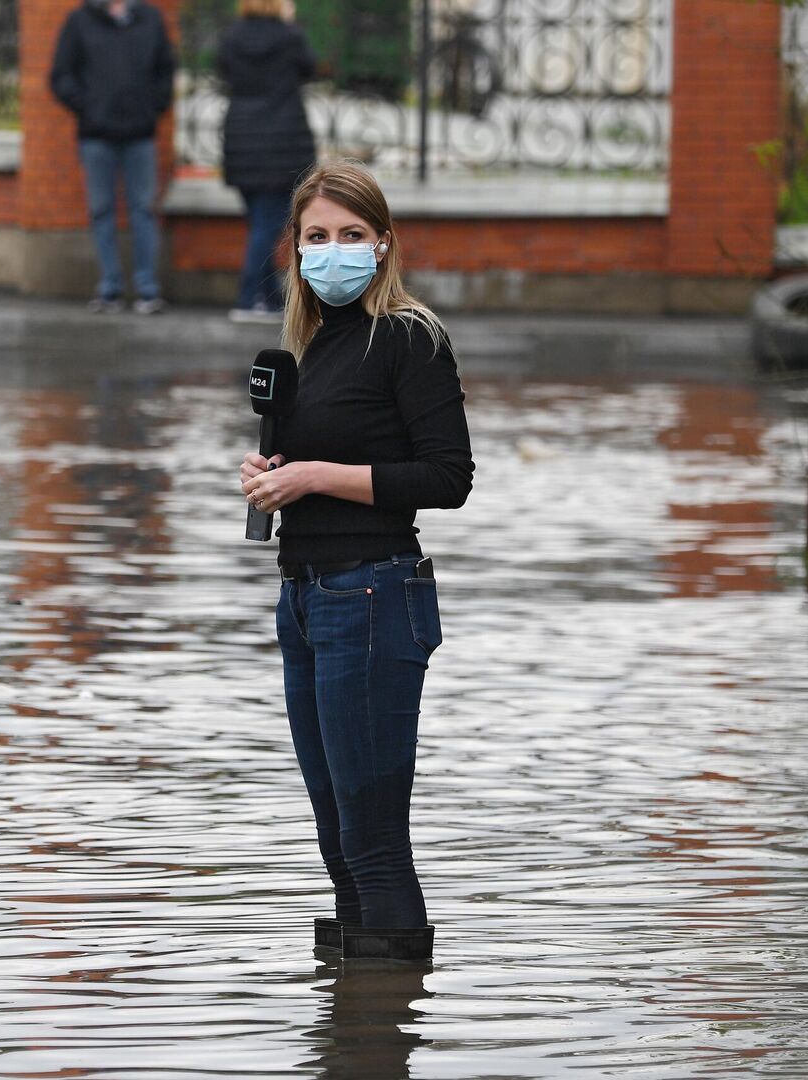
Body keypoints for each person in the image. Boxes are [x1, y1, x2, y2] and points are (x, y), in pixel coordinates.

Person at [237, 161, 474, 963]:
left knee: (373, 842)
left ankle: (385, 1035)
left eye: (350, 236)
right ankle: (354, 1030)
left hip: (372, 594)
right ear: (295, 251)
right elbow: (313, 462)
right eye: (316, 238)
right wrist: (272, 477)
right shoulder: (305, 348)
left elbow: (448, 478)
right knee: (336, 835)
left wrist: (314, 476)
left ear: (382, 246)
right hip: (303, 599)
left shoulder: (408, 338)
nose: (332, 250)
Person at [48, 0, 176, 315]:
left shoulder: (150, 19)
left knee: (144, 210)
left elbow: (166, 70)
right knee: (101, 210)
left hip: (140, 135)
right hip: (96, 136)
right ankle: (110, 289)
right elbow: (60, 75)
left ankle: (148, 290)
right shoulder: (79, 21)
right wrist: (88, 108)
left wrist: (152, 108)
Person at [219, 0, 318, 324]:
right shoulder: (290, 38)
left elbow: (223, 71)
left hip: (243, 141)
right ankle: (248, 298)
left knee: (260, 224)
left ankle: (272, 298)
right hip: (282, 142)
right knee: (267, 226)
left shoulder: (233, 37)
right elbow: (310, 68)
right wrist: (290, 24)